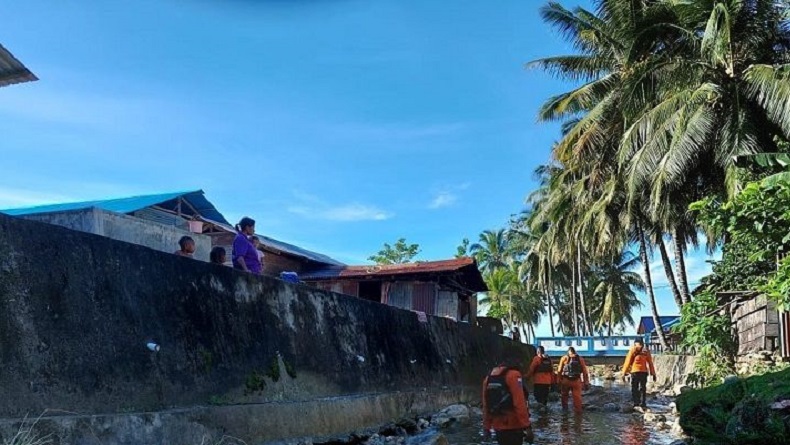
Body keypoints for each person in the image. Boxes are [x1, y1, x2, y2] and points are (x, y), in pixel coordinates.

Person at [482, 358, 534, 445]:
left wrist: (486, 427)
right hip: (513, 425)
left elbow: (485, 404)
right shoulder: (514, 375)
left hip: (497, 426)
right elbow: (519, 403)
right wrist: (527, 427)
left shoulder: (488, 378)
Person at [622, 339, 656, 409]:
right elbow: (650, 363)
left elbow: (627, 362)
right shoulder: (646, 351)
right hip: (644, 372)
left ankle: (636, 403)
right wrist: (653, 374)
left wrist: (623, 373)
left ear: (635, 343)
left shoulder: (633, 350)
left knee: (635, 388)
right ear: (642, 343)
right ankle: (643, 403)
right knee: (643, 388)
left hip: (635, 372)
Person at [556, 347, 590, 413]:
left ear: (568, 352)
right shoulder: (580, 359)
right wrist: (586, 382)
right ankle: (578, 413)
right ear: (575, 352)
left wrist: (558, 380)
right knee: (577, 398)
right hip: (576, 381)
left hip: (566, 380)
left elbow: (559, 370)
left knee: (564, 396)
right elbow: (584, 372)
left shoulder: (564, 358)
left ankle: (565, 411)